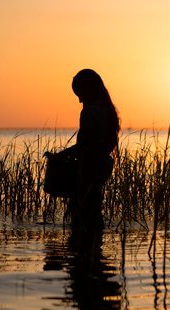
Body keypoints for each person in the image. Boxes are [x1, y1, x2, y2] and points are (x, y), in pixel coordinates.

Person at [48, 69, 120, 246]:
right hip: (102, 167)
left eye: (79, 94)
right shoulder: (108, 110)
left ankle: (81, 258)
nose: (79, 100)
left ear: (87, 89)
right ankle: (94, 255)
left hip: (87, 171)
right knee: (94, 213)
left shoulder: (89, 112)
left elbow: (84, 145)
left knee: (80, 215)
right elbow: (107, 144)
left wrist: (60, 156)